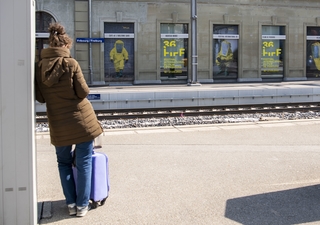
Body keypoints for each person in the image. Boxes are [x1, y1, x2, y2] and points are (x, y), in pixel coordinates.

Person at [35, 22, 103, 217]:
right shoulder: (71, 63)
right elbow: (83, 92)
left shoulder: (39, 67)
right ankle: (83, 206)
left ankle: (72, 203)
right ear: (65, 45)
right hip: (81, 121)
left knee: (63, 162)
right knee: (83, 162)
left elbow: (40, 97)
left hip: (58, 122)